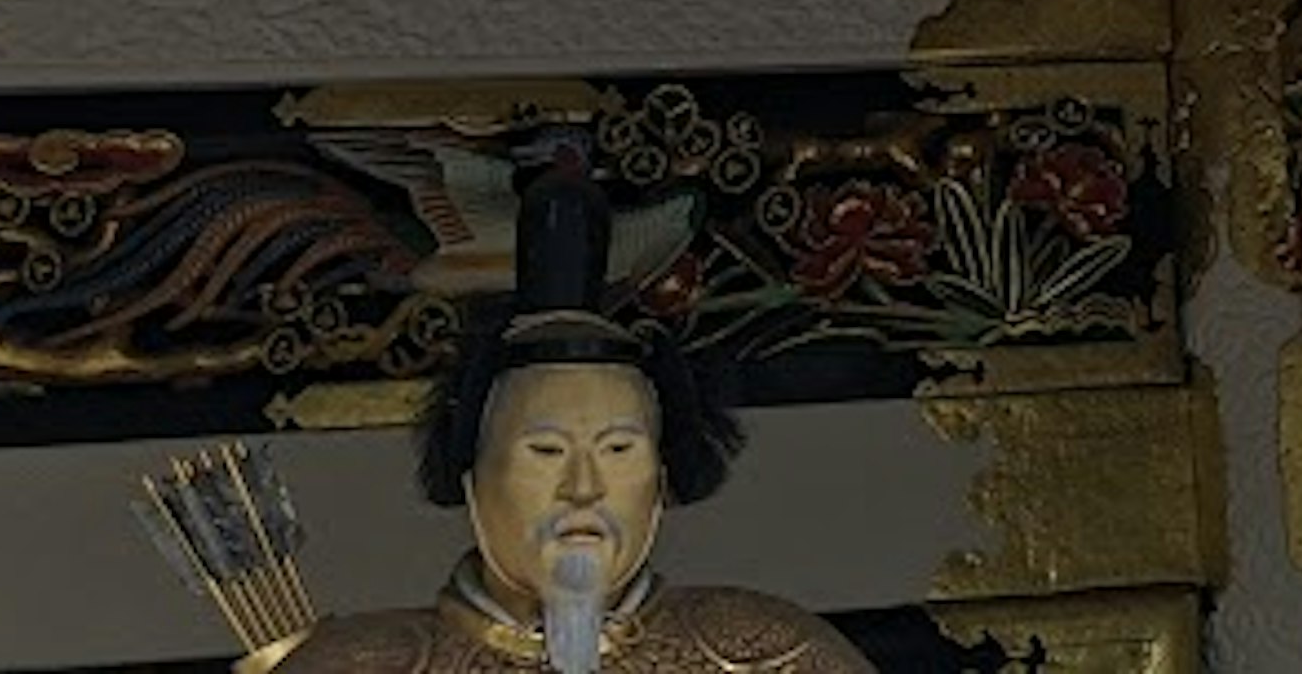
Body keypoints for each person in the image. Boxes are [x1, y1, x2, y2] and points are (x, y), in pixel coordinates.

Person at [273, 165, 874, 674]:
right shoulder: (356, 664)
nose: (583, 489)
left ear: (661, 480)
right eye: (545, 451)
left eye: (619, 451)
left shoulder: (773, 655)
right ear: (474, 476)